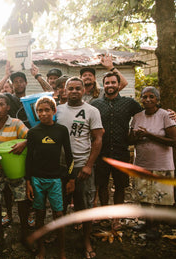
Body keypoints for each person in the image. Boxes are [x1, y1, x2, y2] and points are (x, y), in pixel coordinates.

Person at [56, 77, 103, 259]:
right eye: (71, 88)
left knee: (84, 206)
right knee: (60, 204)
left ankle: (86, 240)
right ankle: (60, 240)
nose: (74, 91)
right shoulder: (57, 110)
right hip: (60, 167)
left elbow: (98, 139)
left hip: (81, 166)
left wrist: (89, 165)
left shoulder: (92, 111)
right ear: (65, 91)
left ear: (84, 90)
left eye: (78, 88)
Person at [91, 72, 142, 230]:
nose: (110, 85)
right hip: (102, 152)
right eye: (107, 83)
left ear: (119, 85)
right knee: (102, 185)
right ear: (103, 85)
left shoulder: (129, 103)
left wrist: (169, 113)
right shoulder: (96, 104)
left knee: (120, 186)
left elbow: (147, 111)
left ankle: (117, 219)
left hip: (121, 151)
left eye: (113, 82)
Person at [26, 96, 73, 259]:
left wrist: (71, 178)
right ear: (36, 113)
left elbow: (69, 156)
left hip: (56, 180)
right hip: (37, 179)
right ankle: (41, 249)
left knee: (58, 215)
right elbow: (29, 159)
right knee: (39, 215)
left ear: (54, 111)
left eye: (47, 110)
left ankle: (61, 250)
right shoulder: (33, 132)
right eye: (40, 110)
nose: (43, 113)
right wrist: (28, 182)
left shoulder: (61, 130)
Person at [129, 86, 176, 238]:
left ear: (157, 99)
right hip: (142, 163)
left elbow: (173, 141)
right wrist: (136, 136)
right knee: (144, 196)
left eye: (151, 97)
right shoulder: (137, 116)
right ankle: (147, 223)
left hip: (161, 164)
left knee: (159, 198)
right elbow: (129, 140)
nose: (147, 100)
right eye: (144, 97)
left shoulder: (165, 115)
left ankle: (155, 229)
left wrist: (149, 135)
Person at [0, 94, 29, 251]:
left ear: (8, 107)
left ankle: (25, 232)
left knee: (21, 198)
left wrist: (24, 142)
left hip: (14, 169)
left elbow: (31, 136)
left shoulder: (16, 124)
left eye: (1, 105)